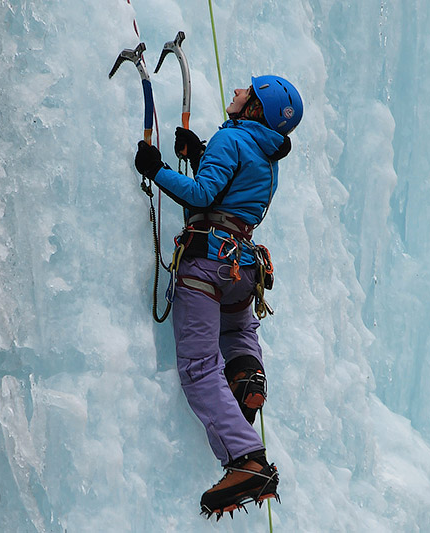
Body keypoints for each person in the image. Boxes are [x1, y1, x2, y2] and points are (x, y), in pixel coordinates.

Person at [134, 75, 303, 518]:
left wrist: (156, 169)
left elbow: (204, 194)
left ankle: (248, 460)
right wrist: (201, 153)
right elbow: (232, 190)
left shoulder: (233, 139)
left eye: (246, 92)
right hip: (241, 268)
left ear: (255, 108)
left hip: (207, 262)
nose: (237, 93)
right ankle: (247, 373)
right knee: (237, 325)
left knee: (198, 367)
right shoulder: (267, 155)